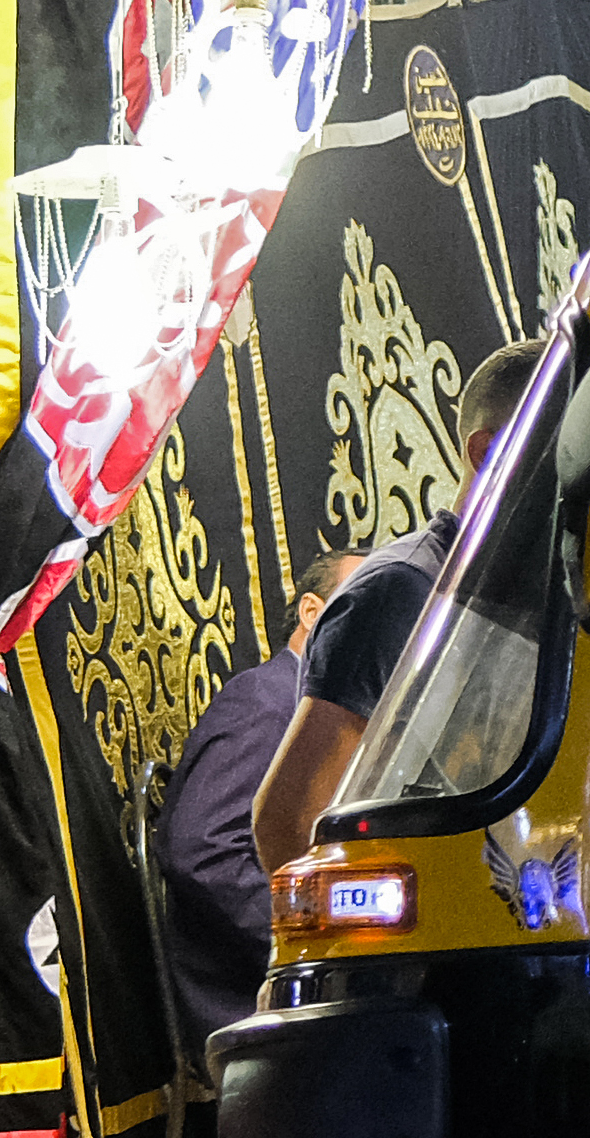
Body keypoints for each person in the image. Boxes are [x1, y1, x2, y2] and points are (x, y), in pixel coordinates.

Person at [247, 338, 545, 876]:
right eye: (560, 446)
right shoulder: (401, 592)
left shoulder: (525, 592)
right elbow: (290, 825)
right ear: (488, 451)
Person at [161, 551, 363, 1066]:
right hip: (243, 992)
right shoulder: (266, 701)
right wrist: (316, 942)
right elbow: (205, 854)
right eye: (361, 605)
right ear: (311, 613)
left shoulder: (325, 710)